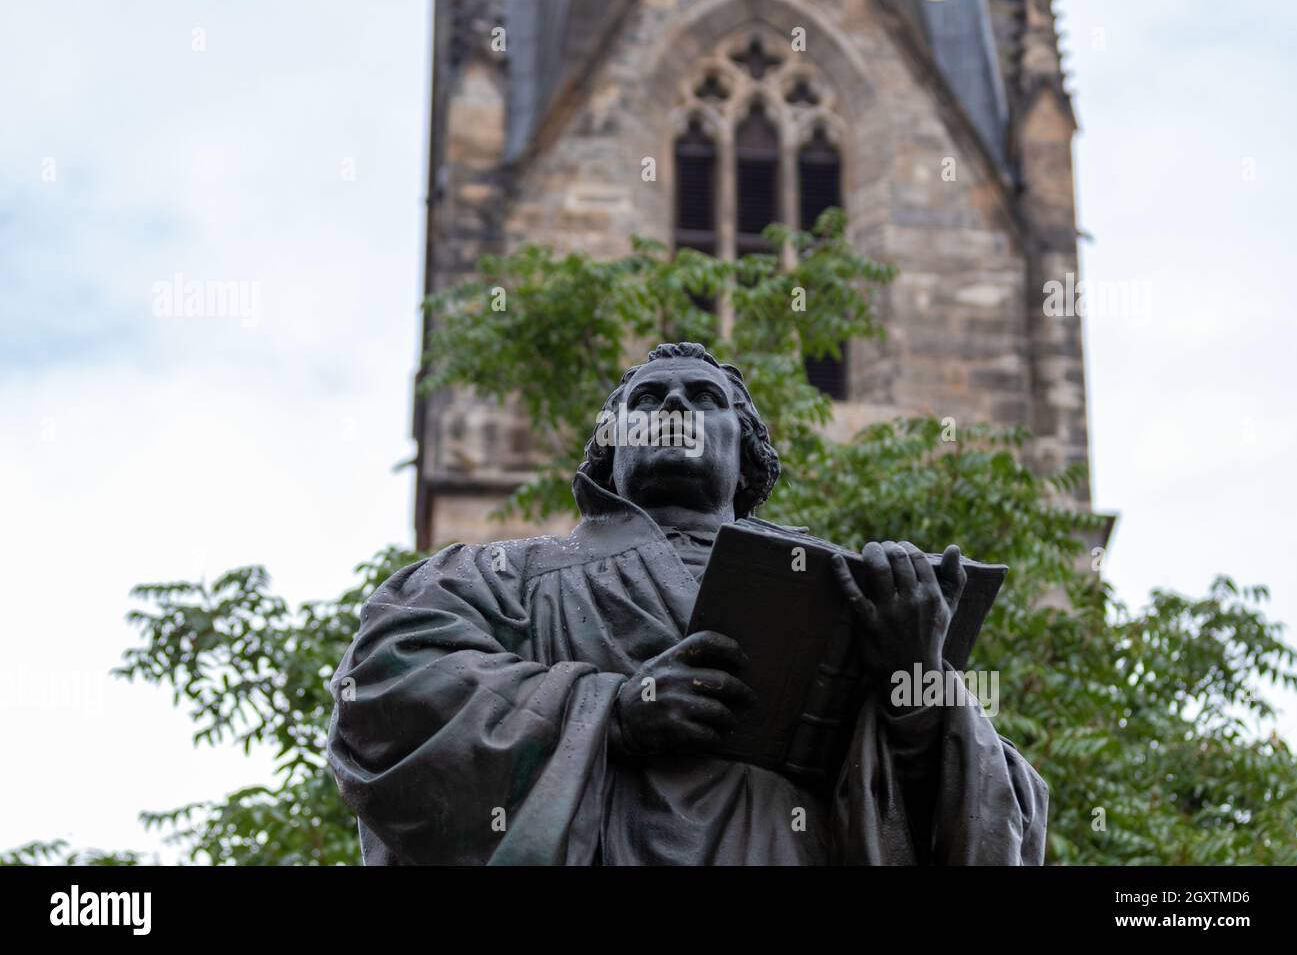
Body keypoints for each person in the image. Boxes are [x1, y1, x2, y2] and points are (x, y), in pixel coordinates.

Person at [327, 342, 1047, 864]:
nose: (674, 404)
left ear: (747, 455)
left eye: (705, 399)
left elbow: (1004, 819)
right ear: (611, 449)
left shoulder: (849, 591)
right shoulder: (500, 574)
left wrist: (916, 686)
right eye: (648, 398)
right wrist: (611, 712)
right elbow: (386, 689)